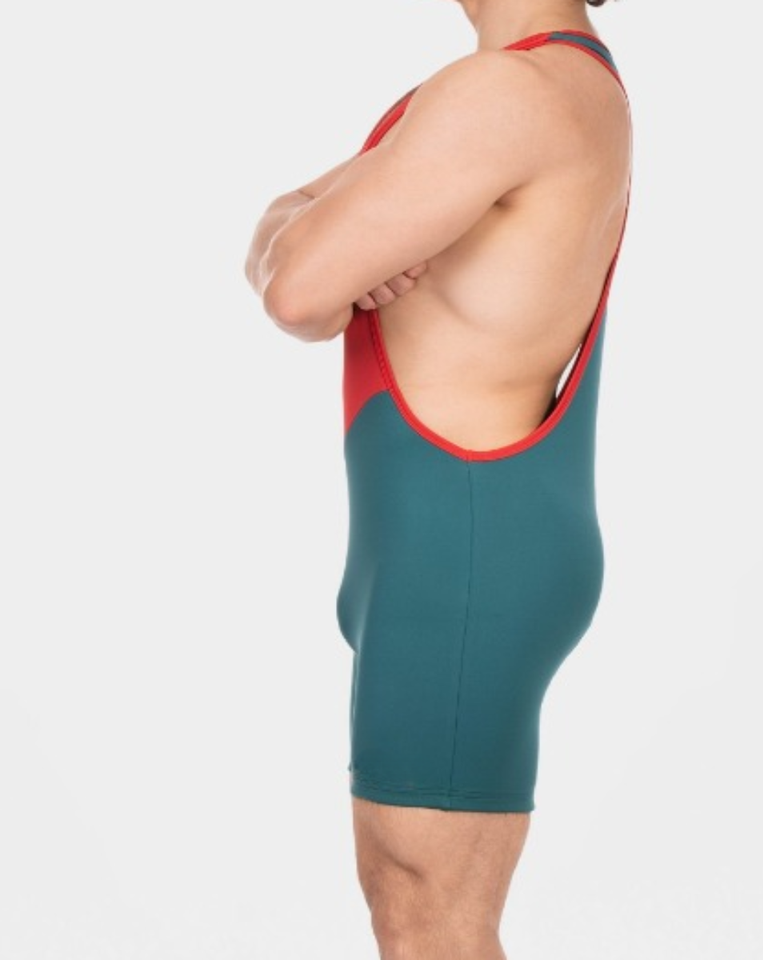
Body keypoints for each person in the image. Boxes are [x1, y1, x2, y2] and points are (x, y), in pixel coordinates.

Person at [245, 0, 632, 956]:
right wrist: (305, 234)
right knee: (417, 917)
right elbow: (283, 233)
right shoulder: (545, 83)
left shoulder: (503, 94)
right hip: (460, 536)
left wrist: (314, 241)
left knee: (430, 924)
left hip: (461, 552)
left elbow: (296, 289)